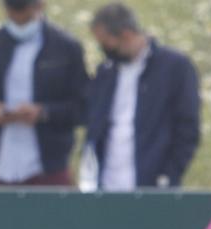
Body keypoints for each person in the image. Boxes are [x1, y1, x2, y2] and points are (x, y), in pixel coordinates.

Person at [0, 0, 88, 187]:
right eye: (12, 12)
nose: (18, 21)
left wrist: (43, 112)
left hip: (47, 166)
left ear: (40, 6)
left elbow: (82, 108)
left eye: (25, 13)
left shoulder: (66, 47)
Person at [86, 3, 201, 189]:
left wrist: (168, 175)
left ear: (126, 35)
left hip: (153, 184)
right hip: (106, 184)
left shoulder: (174, 67)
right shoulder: (105, 72)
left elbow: (187, 128)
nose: (104, 50)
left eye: (106, 44)